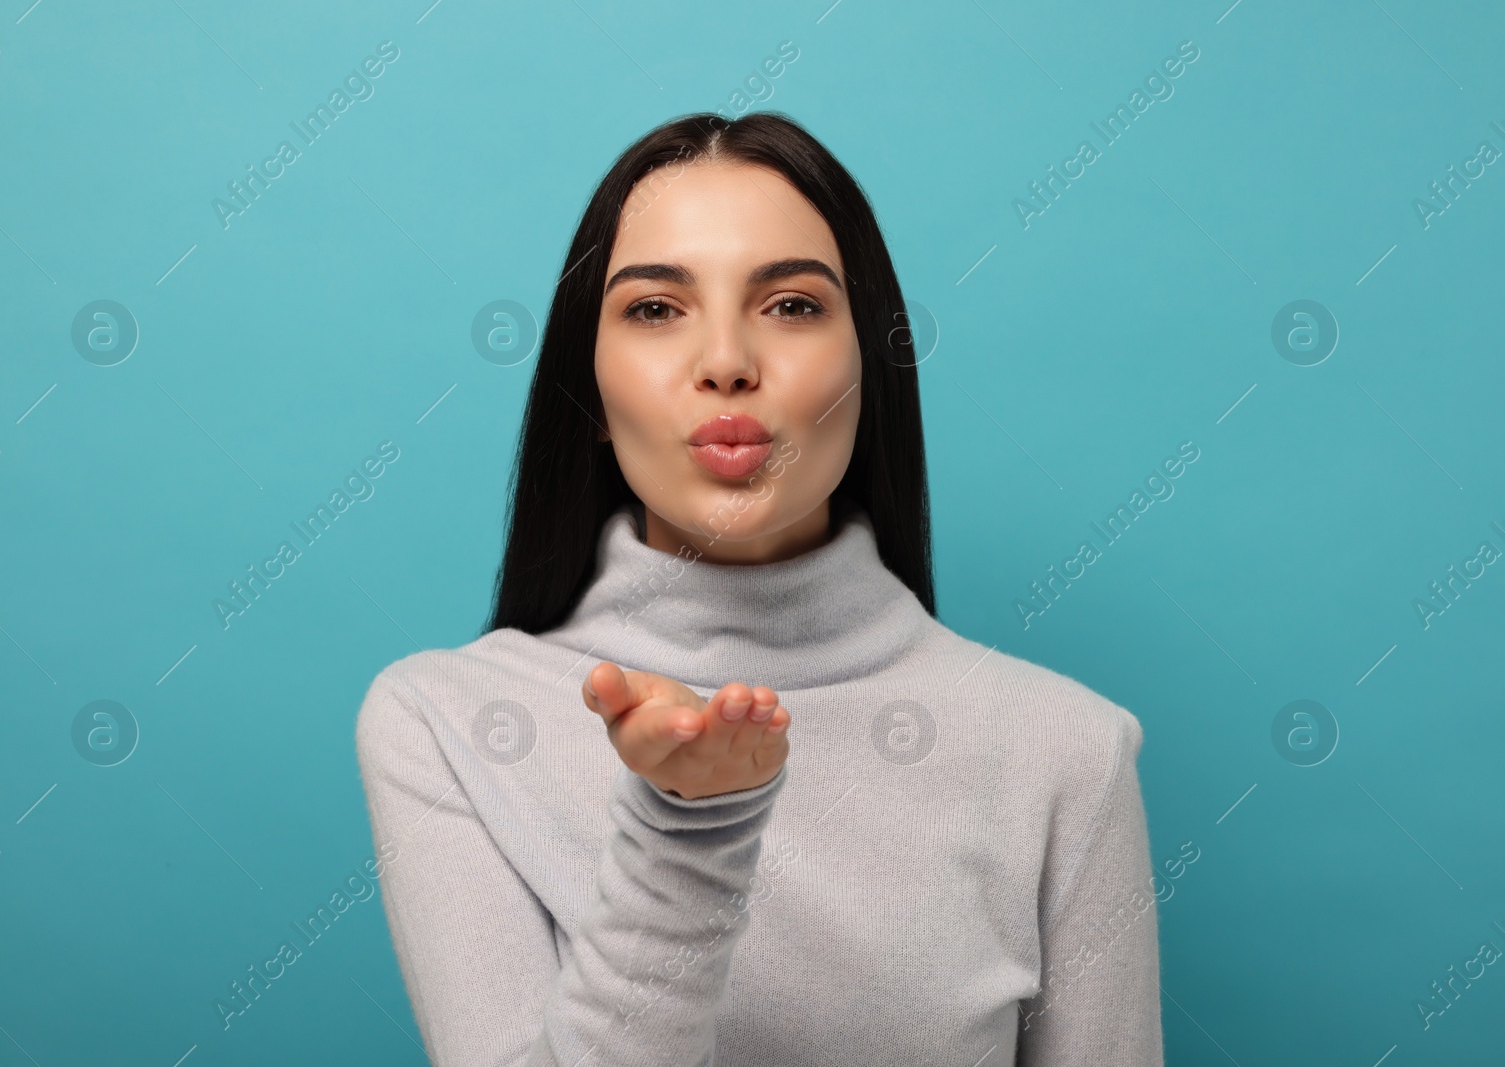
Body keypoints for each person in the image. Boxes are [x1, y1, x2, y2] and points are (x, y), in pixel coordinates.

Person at [354, 110, 1163, 1066]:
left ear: (869, 370)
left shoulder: (1065, 749)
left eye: (792, 305)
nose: (728, 361)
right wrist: (687, 834)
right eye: (656, 308)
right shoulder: (446, 722)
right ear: (592, 395)